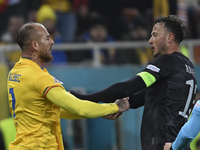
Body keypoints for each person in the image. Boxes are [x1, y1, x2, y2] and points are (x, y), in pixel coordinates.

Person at [70, 15, 197, 150]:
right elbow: (141, 98)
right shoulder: (187, 66)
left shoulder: (166, 62)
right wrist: (119, 105)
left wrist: (86, 99)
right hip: (179, 145)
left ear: (169, 38)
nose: (150, 41)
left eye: (155, 35)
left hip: (162, 143)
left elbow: (127, 87)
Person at [7, 22, 130, 150]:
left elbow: (56, 110)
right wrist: (113, 107)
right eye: (47, 38)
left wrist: (98, 112)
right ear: (35, 45)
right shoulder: (40, 78)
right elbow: (78, 107)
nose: (52, 42)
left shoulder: (15, 72)